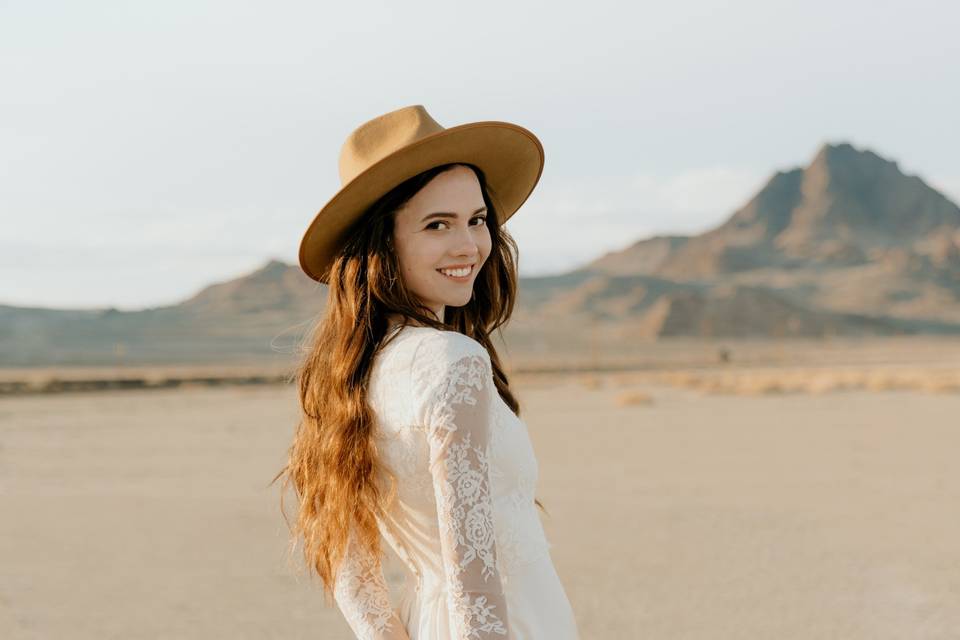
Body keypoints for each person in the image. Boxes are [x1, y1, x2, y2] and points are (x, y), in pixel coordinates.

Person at [275, 105, 580, 639]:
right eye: (437, 224)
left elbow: (352, 571)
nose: (468, 245)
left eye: (477, 219)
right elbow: (471, 574)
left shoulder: (352, 375)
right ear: (381, 243)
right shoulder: (454, 361)